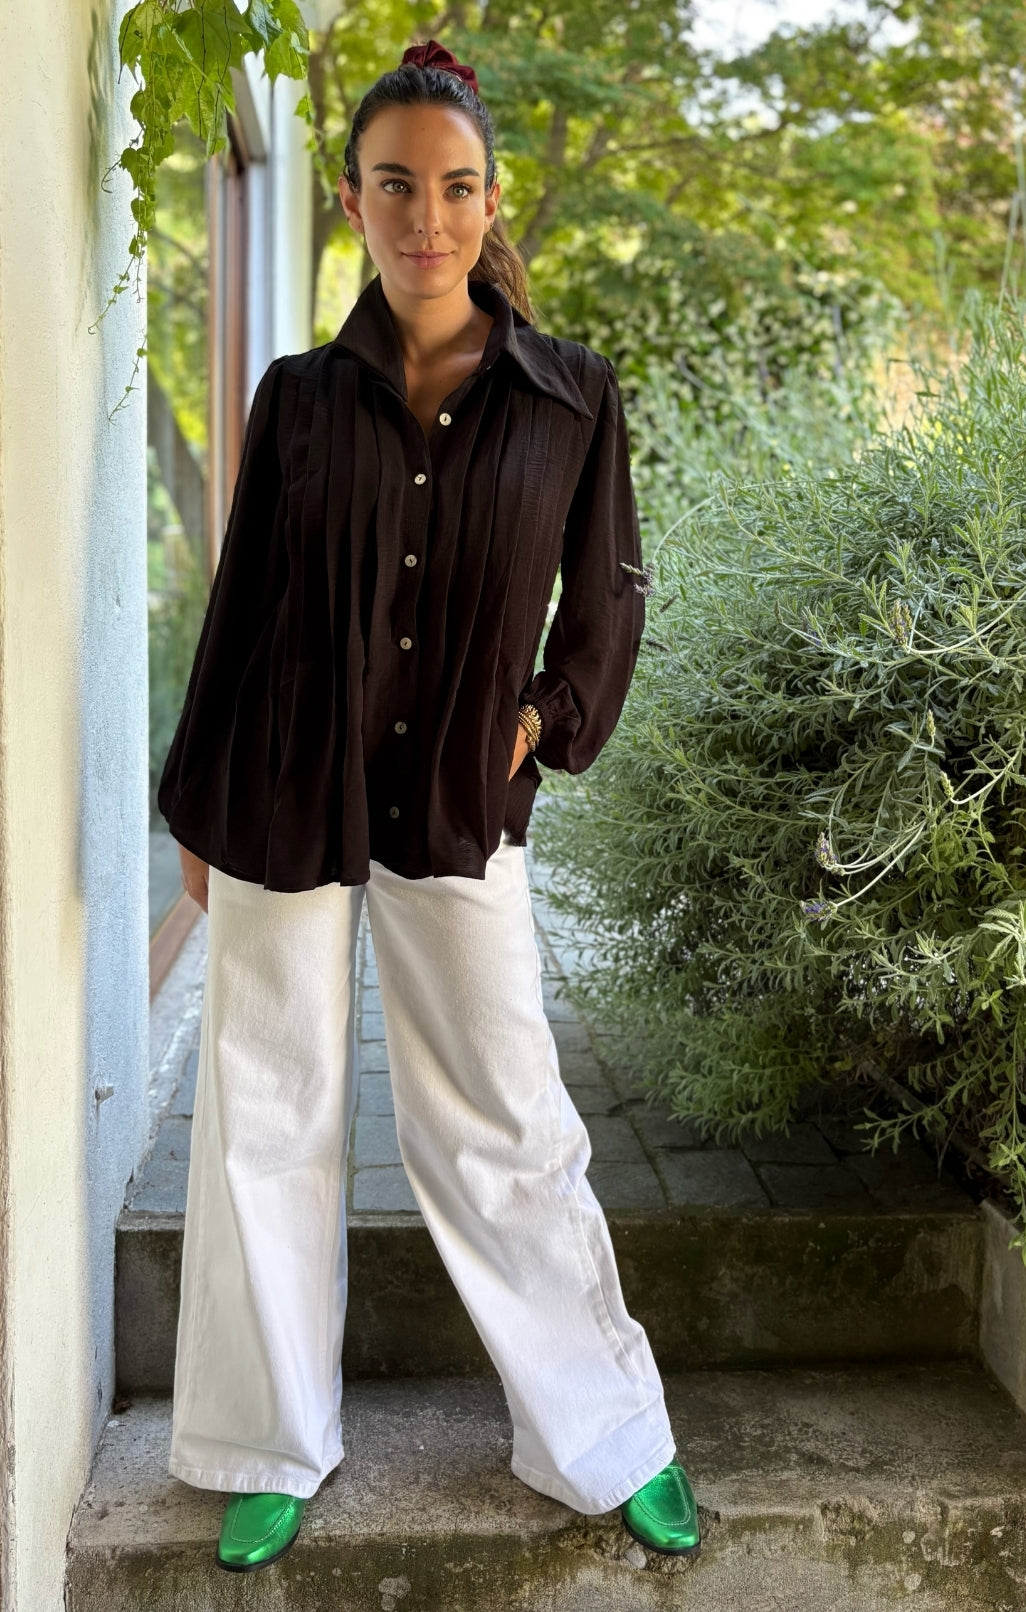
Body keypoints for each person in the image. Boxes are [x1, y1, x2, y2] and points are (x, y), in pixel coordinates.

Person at [157, 36, 700, 1574]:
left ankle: (606, 1435)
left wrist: (539, 723)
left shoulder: (572, 398)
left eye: (456, 187)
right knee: (266, 1110)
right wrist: (196, 804)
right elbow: (243, 603)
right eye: (394, 186)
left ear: (490, 199)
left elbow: (610, 593)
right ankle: (267, 1442)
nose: (427, 218)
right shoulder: (298, 399)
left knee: (506, 1116)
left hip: (462, 795)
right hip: (284, 788)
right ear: (351, 200)